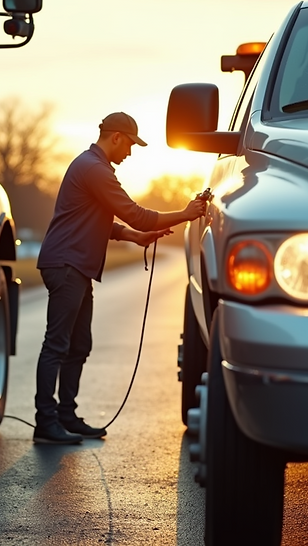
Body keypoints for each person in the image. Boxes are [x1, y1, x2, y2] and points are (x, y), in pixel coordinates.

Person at [32, 111, 207, 444]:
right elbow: (136, 214)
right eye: (129, 145)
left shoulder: (92, 168)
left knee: (79, 345)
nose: (129, 152)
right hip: (67, 266)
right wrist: (184, 214)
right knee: (57, 345)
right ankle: (46, 422)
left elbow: (98, 221)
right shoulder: (94, 170)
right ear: (115, 137)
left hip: (77, 267)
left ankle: (66, 416)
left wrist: (134, 238)